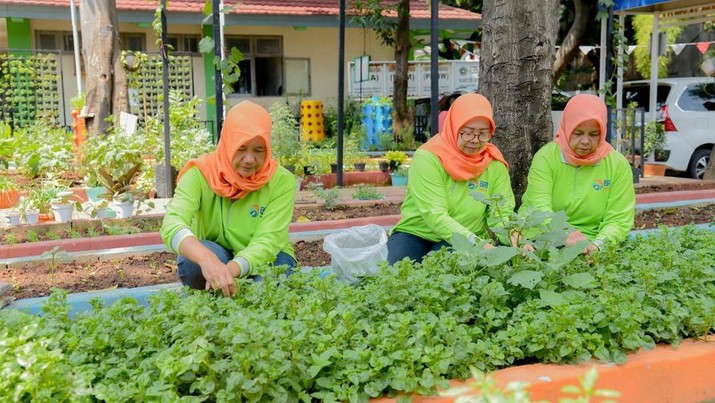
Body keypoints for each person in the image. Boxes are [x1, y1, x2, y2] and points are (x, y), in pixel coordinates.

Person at [160, 101, 297, 297]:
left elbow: (269, 240)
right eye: (241, 148)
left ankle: (225, 292)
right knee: (192, 263)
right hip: (219, 255)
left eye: (259, 150)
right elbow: (172, 222)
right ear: (227, 142)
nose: (250, 159)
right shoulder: (199, 173)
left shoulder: (281, 181)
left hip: (269, 257)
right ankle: (222, 289)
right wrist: (207, 259)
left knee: (267, 286)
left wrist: (231, 270)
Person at [386, 93, 515, 265]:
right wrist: (477, 244)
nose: (475, 140)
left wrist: (515, 237)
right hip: (416, 233)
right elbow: (434, 214)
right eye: (467, 133)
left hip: (466, 235)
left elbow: (501, 213)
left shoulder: (494, 164)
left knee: (445, 269)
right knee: (402, 267)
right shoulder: (428, 158)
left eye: (483, 134)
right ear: (454, 127)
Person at [520, 94, 635, 254]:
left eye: (594, 134)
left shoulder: (617, 164)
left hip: (592, 242)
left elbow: (619, 218)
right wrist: (566, 235)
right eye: (578, 133)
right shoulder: (546, 157)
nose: (586, 141)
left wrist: (598, 246)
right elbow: (539, 207)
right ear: (567, 128)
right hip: (544, 239)